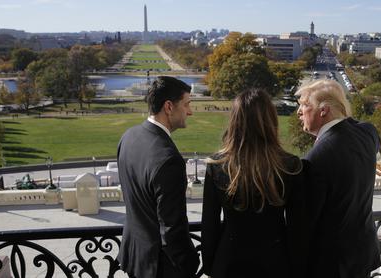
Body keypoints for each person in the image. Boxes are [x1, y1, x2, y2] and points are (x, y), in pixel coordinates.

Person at [201, 88, 305, 278]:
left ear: (235, 121)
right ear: (270, 120)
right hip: (276, 261)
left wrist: (209, 266)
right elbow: (297, 228)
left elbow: (210, 225)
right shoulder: (291, 165)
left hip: (229, 262)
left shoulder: (217, 165)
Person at [296, 79, 381, 278]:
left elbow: (305, 222)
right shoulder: (369, 133)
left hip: (331, 265)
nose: (299, 112)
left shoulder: (314, 159)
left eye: (305, 105)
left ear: (323, 111)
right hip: (362, 256)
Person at [117, 76, 199, 278]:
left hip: (134, 257)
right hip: (160, 267)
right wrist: (189, 263)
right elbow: (172, 229)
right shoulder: (169, 160)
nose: (190, 112)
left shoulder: (128, 137)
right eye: (187, 104)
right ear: (169, 107)